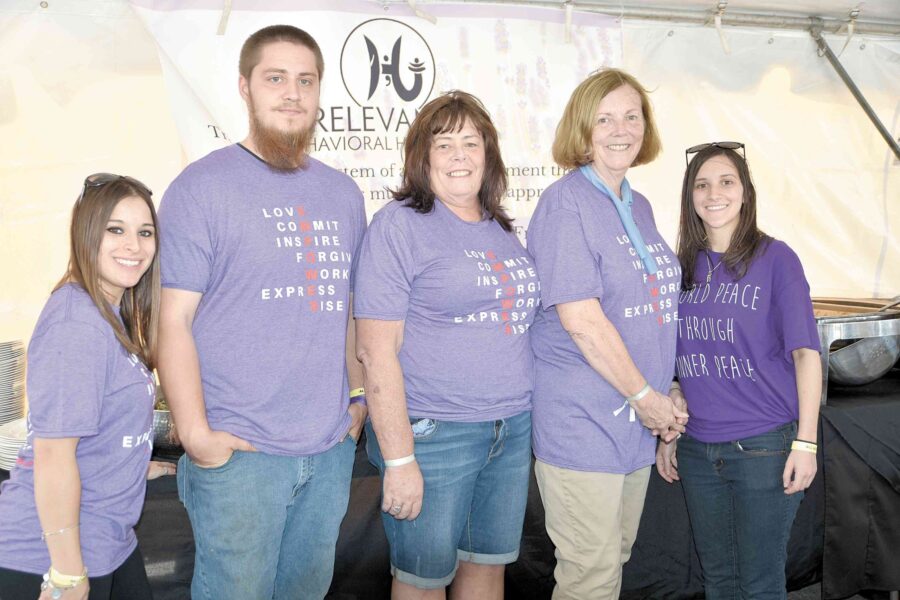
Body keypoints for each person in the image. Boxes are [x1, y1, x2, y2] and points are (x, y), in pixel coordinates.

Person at [156, 25, 367, 600]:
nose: (292, 93)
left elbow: (344, 312)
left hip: (326, 452)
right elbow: (169, 321)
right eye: (276, 78)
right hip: (241, 457)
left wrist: (357, 397)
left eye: (306, 81)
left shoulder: (344, 195)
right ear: (246, 87)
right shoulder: (200, 188)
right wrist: (197, 435)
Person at [354, 91, 538, 599]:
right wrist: (398, 459)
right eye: (444, 144)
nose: (459, 155)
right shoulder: (400, 225)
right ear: (422, 157)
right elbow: (375, 349)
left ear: (488, 153)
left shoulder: (501, 229)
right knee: (422, 581)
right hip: (436, 434)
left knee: (487, 569)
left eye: (471, 142)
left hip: (510, 427)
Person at [526, 68, 686, 599]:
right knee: (589, 573)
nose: (621, 128)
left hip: (637, 420)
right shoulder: (564, 202)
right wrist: (646, 397)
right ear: (582, 128)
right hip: (584, 421)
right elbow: (582, 319)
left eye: (632, 115)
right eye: (605, 118)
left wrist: (669, 393)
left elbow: (654, 311)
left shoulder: (637, 204)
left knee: (611, 559)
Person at [656, 141, 821, 599]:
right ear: (690, 196)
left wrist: (805, 442)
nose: (715, 193)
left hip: (764, 447)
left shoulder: (776, 259)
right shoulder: (682, 267)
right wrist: (669, 430)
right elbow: (674, 357)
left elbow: (807, 354)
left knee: (760, 583)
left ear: (745, 192)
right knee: (719, 581)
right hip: (697, 449)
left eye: (727, 181)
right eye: (702, 184)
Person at [0, 173, 167, 599]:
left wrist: (130, 465)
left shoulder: (107, 311)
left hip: (109, 541)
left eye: (144, 232)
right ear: (85, 233)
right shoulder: (76, 323)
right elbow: (53, 455)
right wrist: (67, 573)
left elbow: (94, 423)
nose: (134, 245)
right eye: (116, 229)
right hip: (46, 557)